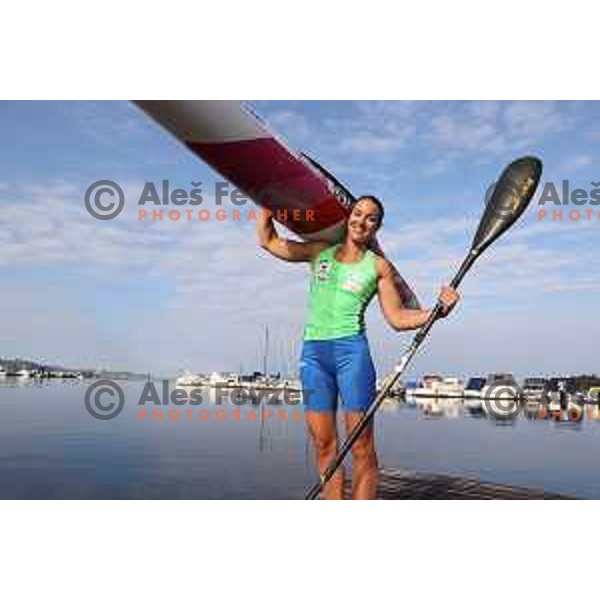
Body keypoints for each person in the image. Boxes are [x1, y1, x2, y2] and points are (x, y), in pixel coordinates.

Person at [256, 196, 460, 499]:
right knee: (323, 444)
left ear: (376, 228)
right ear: (348, 216)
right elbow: (269, 241)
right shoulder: (318, 252)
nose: (361, 221)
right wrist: (266, 201)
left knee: (360, 444)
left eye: (371, 218)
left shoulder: (378, 266)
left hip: (352, 355)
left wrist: (436, 311)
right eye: (357, 213)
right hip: (314, 356)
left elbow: (397, 317)